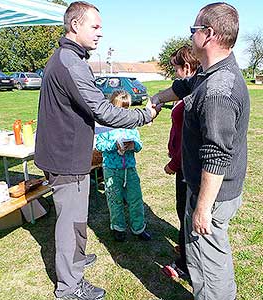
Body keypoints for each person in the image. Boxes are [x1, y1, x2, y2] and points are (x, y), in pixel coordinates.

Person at [34, 2, 157, 300]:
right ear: (75, 25)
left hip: (65, 155)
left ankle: (74, 260)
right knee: (71, 223)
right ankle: (69, 286)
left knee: (75, 219)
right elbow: (102, 110)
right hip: (66, 159)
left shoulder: (69, 58)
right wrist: (144, 115)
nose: (101, 32)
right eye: (95, 26)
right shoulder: (70, 62)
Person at [151, 3, 250, 300]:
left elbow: (216, 156)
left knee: (210, 263)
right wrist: (158, 97)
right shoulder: (211, 73)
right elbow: (185, 85)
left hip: (213, 195)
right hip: (206, 189)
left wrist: (203, 208)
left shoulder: (218, 90)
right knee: (204, 255)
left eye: (192, 30)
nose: (190, 34)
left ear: (208, 34)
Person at [161, 45, 199, 279]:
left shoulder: (192, 97)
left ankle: (184, 264)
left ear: (186, 67)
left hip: (186, 167)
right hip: (182, 164)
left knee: (185, 212)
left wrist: (174, 164)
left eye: (175, 68)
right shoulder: (187, 93)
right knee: (183, 210)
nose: (174, 73)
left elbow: (188, 139)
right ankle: (184, 247)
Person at [96, 90, 151, 242]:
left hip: (130, 169)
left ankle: (138, 228)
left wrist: (133, 145)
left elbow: (139, 145)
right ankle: (118, 227)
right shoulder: (104, 125)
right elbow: (99, 145)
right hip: (112, 170)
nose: (123, 112)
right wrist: (114, 145)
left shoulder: (131, 124)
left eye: (126, 108)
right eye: (120, 108)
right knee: (115, 200)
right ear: (112, 107)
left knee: (135, 199)